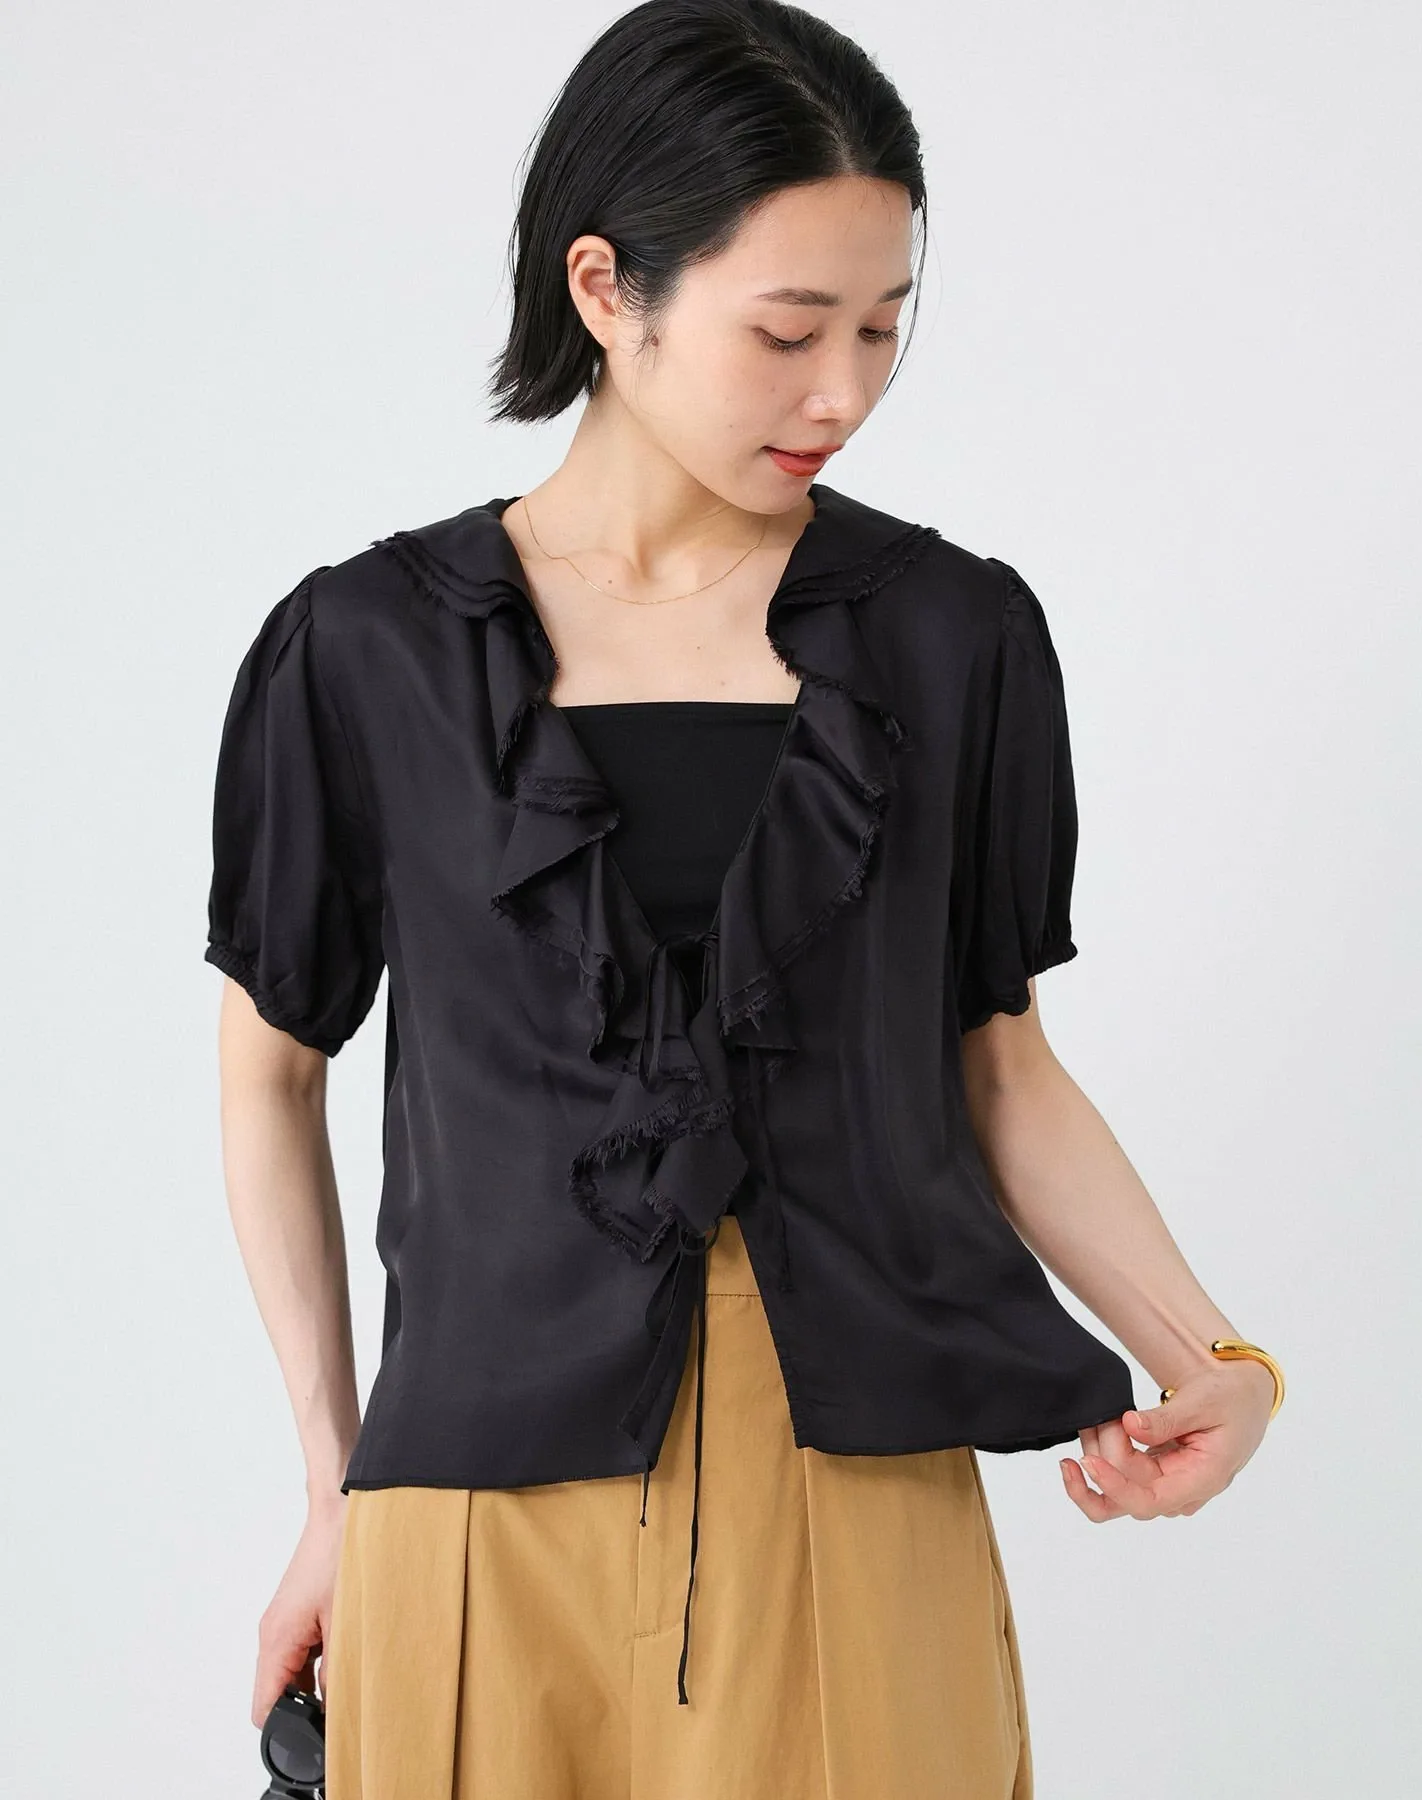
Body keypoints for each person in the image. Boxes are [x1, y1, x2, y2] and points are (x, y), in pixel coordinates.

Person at [204, 3, 1284, 1795]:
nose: (842, 393)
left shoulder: (954, 638)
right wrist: (335, 1489)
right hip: (473, 1517)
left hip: (855, 1501)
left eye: (882, 326)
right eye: (788, 331)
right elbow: (267, 1077)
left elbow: (999, 1061)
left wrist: (1214, 1357)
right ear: (605, 289)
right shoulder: (364, 649)